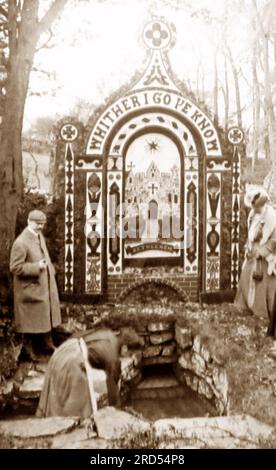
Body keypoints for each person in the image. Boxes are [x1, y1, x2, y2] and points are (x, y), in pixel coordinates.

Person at [36, 327, 143, 419]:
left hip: (63, 350)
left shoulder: (109, 335)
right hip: (72, 359)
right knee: (80, 404)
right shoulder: (112, 356)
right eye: (130, 354)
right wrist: (117, 413)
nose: (130, 357)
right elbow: (112, 392)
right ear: (125, 348)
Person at [9, 209, 61, 361]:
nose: (41, 227)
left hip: (42, 286)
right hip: (29, 289)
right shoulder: (21, 242)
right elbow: (15, 267)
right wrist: (36, 266)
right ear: (29, 222)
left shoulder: (39, 236)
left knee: (45, 317)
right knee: (30, 323)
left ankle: (46, 344)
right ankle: (28, 349)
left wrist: (50, 271)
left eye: (43, 224)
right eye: (38, 224)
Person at [235, 189, 276, 350]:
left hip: (266, 256)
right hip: (252, 254)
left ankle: (262, 313)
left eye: (258, 207)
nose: (256, 209)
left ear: (264, 205)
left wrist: (262, 251)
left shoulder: (272, 217)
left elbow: (274, 241)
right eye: (254, 207)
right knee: (246, 278)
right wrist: (249, 247)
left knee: (264, 284)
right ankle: (246, 308)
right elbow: (250, 235)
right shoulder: (252, 215)